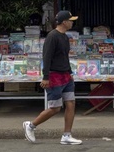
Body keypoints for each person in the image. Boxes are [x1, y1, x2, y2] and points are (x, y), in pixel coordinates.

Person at [23, 10, 82, 145]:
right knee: (55, 108)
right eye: (71, 20)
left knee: (71, 103)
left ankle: (67, 135)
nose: (72, 22)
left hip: (66, 75)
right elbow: (47, 57)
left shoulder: (65, 37)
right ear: (64, 22)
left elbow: (64, 57)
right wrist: (45, 77)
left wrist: (70, 72)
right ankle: (30, 125)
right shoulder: (52, 36)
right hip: (54, 76)